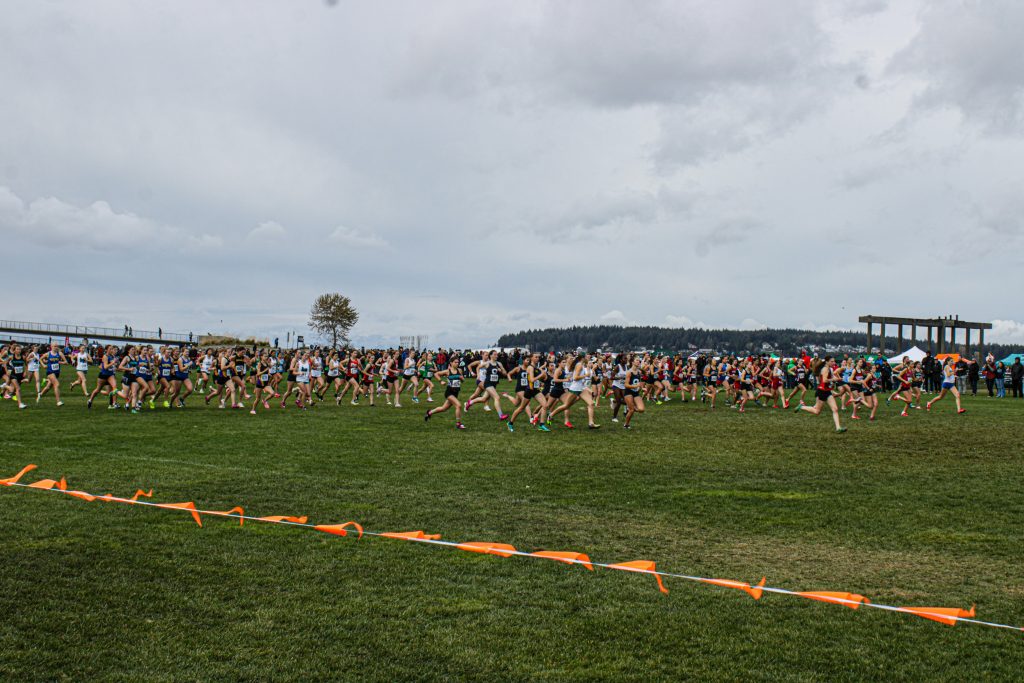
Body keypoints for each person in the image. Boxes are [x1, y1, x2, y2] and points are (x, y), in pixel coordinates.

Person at [794, 357, 847, 432]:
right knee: (817, 411)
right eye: (832, 361)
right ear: (827, 362)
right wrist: (833, 380)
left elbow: (830, 377)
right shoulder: (825, 369)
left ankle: (838, 428)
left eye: (834, 361)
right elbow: (825, 380)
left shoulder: (830, 369)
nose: (834, 363)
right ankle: (801, 407)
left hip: (827, 391)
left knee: (835, 409)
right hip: (821, 391)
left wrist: (838, 379)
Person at [423, 359, 466, 429]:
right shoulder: (447, 371)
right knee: (458, 405)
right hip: (449, 392)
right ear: (451, 363)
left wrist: (461, 378)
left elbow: (463, 380)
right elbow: (436, 374)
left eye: (458, 362)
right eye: (455, 362)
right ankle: (458, 424)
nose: (457, 363)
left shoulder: (460, 370)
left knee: (443, 408)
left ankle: (429, 413)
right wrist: (441, 381)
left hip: (456, 393)